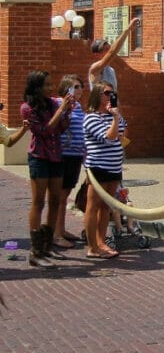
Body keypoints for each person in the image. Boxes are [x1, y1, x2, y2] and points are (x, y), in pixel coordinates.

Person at [21, 71, 74, 268]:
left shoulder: (52, 104)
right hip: (39, 157)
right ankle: (35, 252)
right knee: (38, 202)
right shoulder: (28, 108)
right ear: (36, 87)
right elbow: (44, 131)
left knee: (55, 200)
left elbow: (60, 129)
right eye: (47, 85)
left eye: (51, 85)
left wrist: (67, 111)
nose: (51, 89)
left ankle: (47, 245)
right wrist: (60, 111)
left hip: (56, 156)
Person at [82, 81, 127, 260]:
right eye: (106, 93)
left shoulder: (112, 115)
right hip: (98, 167)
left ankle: (101, 242)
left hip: (114, 166)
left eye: (112, 93)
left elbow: (122, 132)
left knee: (106, 206)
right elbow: (109, 138)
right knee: (93, 206)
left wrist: (116, 117)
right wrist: (115, 120)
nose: (110, 97)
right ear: (97, 95)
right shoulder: (91, 118)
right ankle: (92, 246)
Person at [54, 75, 86, 250]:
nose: (79, 90)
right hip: (63, 154)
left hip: (75, 154)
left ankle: (62, 229)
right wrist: (66, 107)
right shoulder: (59, 103)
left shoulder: (79, 107)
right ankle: (56, 234)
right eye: (75, 87)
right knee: (60, 195)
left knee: (66, 194)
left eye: (80, 86)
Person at [88, 16, 141, 91]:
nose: (109, 51)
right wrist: (127, 30)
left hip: (111, 103)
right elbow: (111, 53)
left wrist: (116, 102)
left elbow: (114, 93)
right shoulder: (94, 69)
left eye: (109, 48)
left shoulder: (111, 70)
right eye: (105, 49)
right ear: (96, 55)